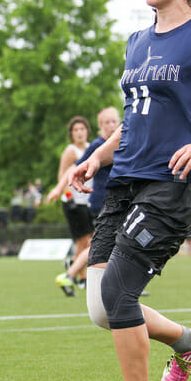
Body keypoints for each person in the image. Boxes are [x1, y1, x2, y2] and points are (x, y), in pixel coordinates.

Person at [69, 0, 191, 381]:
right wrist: (97, 157)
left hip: (169, 185)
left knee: (120, 290)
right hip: (123, 181)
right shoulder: (137, 42)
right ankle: (186, 344)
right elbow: (133, 117)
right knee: (101, 306)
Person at [50, 108, 120, 296]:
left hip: (115, 201)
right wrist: (59, 189)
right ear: (100, 126)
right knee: (96, 243)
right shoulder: (98, 145)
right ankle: (73, 273)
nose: (112, 125)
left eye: (115, 121)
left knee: (100, 243)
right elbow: (74, 167)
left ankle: (80, 275)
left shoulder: (119, 142)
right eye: (107, 122)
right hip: (101, 202)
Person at [46, 116, 93, 296]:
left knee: (89, 241)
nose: (80, 132)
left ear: (87, 131)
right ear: (71, 134)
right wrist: (67, 196)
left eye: (82, 129)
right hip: (74, 201)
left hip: (87, 200)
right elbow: (63, 176)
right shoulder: (71, 151)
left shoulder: (91, 148)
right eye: (76, 130)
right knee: (83, 241)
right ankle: (77, 274)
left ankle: (77, 271)